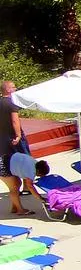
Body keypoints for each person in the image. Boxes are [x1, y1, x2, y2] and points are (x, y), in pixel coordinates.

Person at [1, 80, 29, 216]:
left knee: (13, 180)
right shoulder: (12, 103)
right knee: (16, 180)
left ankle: (14, 206)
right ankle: (20, 208)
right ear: (7, 89)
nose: (16, 88)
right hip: (12, 141)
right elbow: (14, 120)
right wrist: (18, 135)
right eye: (13, 87)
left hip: (3, 142)